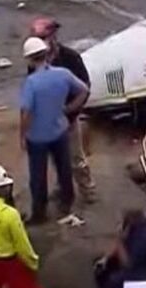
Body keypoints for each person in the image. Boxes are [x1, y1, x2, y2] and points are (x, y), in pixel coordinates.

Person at [20, 36, 89, 224]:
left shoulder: (31, 83)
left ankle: (39, 214)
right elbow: (84, 90)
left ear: (29, 59)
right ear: (46, 54)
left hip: (38, 137)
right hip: (59, 130)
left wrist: (22, 135)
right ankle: (67, 203)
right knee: (64, 169)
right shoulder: (63, 74)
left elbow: (26, 112)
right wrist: (70, 108)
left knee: (38, 176)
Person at [30, 17, 96, 203]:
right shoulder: (35, 61)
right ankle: (62, 187)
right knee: (57, 158)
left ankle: (87, 190)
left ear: (53, 36)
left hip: (69, 117)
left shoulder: (70, 58)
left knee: (76, 157)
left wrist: (70, 110)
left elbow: (85, 86)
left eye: (43, 37)